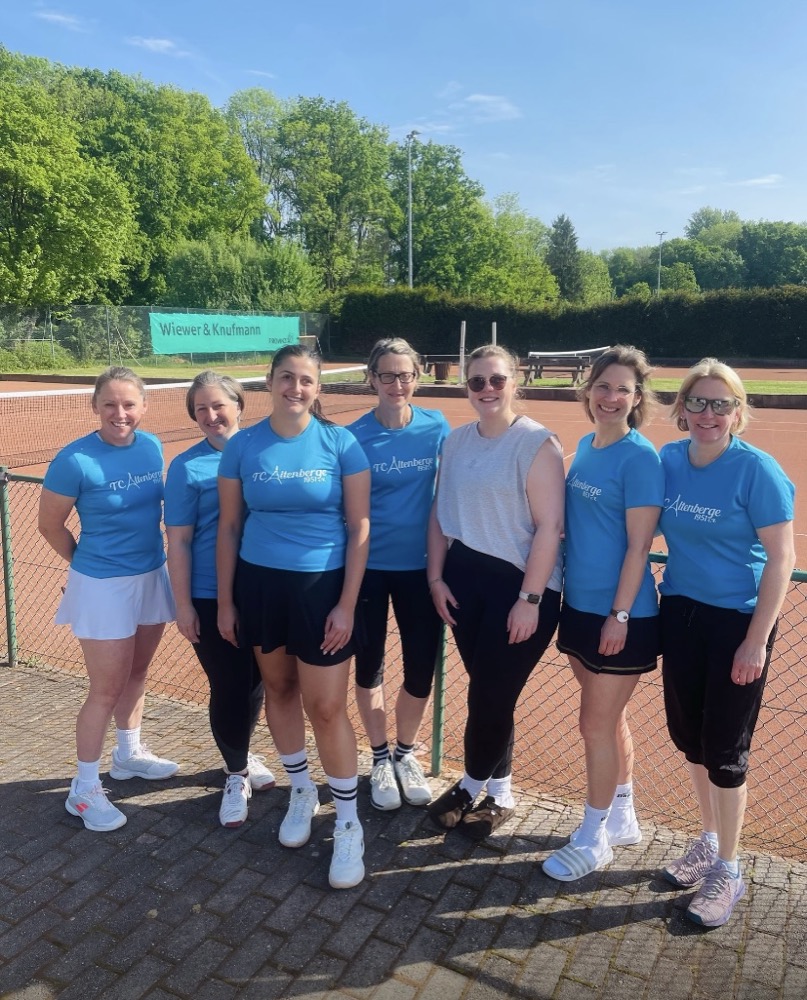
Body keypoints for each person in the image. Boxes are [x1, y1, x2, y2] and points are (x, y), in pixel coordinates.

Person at [216, 344, 370, 889]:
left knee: (326, 707)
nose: (295, 388)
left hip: (322, 588)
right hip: (261, 585)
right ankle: (301, 790)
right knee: (279, 690)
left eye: (305, 379)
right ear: (269, 381)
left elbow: (359, 527)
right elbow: (230, 527)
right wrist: (228, 600)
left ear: (318, 387)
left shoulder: (341, 443)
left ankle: (348, 822)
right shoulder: (243, 445)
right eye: (286, 377)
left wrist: (346, 604)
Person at [658, 358, 795, 927]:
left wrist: (755, 641)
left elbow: (782, 558)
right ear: (683, 408)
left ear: (738, 412)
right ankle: (710, 840)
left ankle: (729, 869)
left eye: (721, 404)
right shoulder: (668, 460)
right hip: (680, 613)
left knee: (726, 750)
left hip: (737, 622)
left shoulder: (756, 470)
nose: (708, 413)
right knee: (691, 738)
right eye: (698, 402)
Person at [426, 344, 564, 839]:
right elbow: (439, 514)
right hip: (464, 580)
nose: (487, 389)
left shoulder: (537, 444)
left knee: (489, 694)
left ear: (515, 381)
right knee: (491, 692)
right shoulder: (456, 441)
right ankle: (500, 789)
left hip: (518, 586)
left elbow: (550, 528)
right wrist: (436, 578)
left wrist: (530, 600)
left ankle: (470, 785)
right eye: (477, 381)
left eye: (497, 380)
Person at [37, 366, 179, 833]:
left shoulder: (151, 446)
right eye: (110, 404)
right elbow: (49, 525)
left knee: (137, 672)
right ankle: (83, 789)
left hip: (151, 574)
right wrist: (86, 569)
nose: (120, 413)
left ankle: (128, 754)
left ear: (144, 406)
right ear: (95, 406)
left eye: (129, 404)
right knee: (105, 689)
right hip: (103, 585)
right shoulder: (74, 459)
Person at [542, 346, 664, 882]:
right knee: (609, 721)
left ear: (637, 399)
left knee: (593, 723)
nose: (611, 397)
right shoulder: (588, 447)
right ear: (589, 390)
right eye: (603, 386)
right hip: (578, 607)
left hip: (622, 615)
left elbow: (639, 547)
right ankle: (623, 813)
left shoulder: (640, 458)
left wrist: (620, 615)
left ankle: (594, 837)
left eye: (623, 389)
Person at [164, 372, 277, 829]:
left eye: (219, 406)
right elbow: (179, 542)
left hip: (262, 589)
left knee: (257, 683)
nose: (211, 416)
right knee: (229, 685)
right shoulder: (186, 467)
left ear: (239, 405)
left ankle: (242, 753)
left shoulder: (264, 452)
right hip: (209, 594)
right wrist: (184, 605)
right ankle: (235, 774)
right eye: (201, 409)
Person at [347, 338, 450, 811]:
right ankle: (378, 758)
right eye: (386, 375)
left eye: (405, 374)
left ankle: (405, 754)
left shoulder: (436, 426)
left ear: (417, 377)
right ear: (372, 379)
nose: (396, 384)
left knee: (420, 668)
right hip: (367, 569)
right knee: (369, 666)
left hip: (422, 569)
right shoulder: (353, 436)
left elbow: (454, 488)